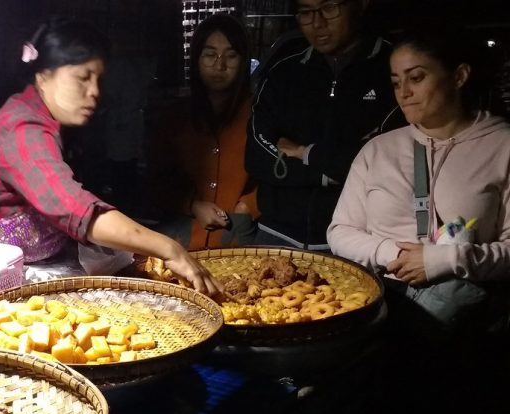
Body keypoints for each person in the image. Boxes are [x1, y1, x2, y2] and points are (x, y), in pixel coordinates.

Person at [0, 17, 221, 296]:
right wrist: (169, 249)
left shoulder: (39, 116)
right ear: (44, 76)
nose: (94, 91)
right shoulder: (22, 131)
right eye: (82, 78)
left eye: (99, 79)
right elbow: (77, 210)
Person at [327, 21, 510, 333]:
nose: (404, 93)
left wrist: (445, 260)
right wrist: (393, 254)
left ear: (459, 76)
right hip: (381, 305)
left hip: (466, 319)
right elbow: (341, 230)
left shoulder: (501, 146)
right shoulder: (378, 150)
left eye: (416, 78)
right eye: (396, 82)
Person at [245, 0, 405, 251]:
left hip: (356, 240)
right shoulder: (284, 69)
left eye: (329, 8)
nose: (318, 22)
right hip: (276, 233)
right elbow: (256, 156)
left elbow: (383, 163)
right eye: (306, 12)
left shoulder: (393, 69)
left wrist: (303, 152)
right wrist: (325, 174)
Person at [147, 13, 258, 250]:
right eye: (209, 55)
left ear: (244, 61)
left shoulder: (261, 115)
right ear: (196, 59)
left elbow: (277, 177)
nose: (220, 65)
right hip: (182, 238)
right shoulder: (174, 117)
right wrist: (193, 205)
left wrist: (246, 207)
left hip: (238, 238)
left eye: (231, 55)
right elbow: (155, 181)